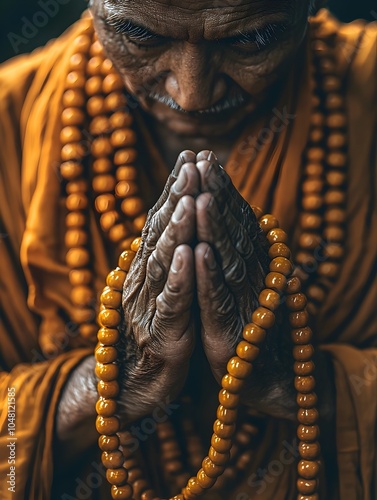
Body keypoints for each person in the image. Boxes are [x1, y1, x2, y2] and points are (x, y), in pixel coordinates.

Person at [0, 0, 376, 498]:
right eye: (139, 34)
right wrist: (104, 386)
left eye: (250, 40)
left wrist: (302, 382)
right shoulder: (12, 122)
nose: (192, 93)